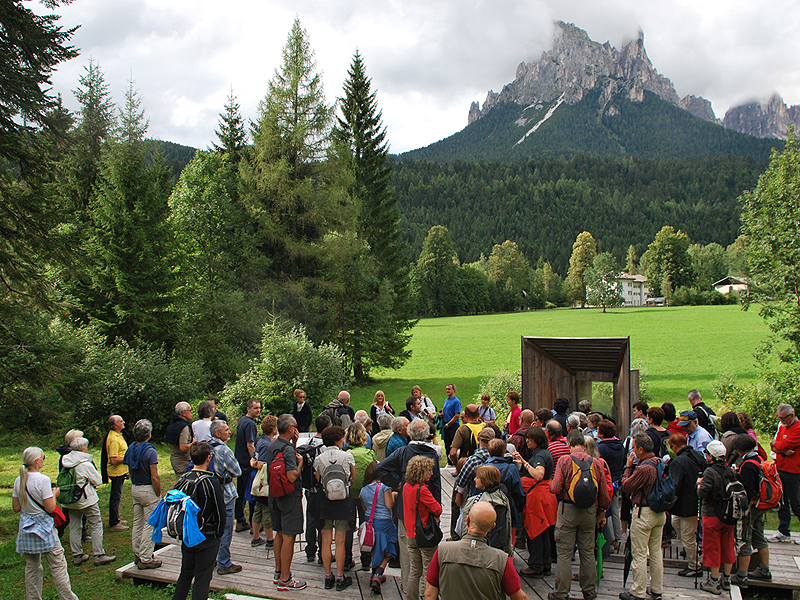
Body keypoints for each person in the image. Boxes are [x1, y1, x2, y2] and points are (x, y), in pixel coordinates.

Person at [377, 419, 442, 597]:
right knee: (428, 558)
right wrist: (437, 510)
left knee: (408, 555)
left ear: (410, 433)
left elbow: (381, 468)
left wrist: (397, 483)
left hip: (405, 510)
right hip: (427, 513)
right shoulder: (432, 455)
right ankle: (426, 592)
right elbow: (436, 485)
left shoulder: (403, 452)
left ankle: (407, 588)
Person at [549, 430, 610, 600]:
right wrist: (602, 512)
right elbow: (604, 494)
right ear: (584, 445)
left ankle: (561, 592)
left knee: (564, 554)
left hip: (567, 509)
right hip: (589, 512)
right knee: (587, 552)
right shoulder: (596, 463)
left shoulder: (564, 461)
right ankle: (589, 590)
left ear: (568, 444)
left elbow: (555, 487)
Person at [425, 501, 528, 600]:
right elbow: (520, 597)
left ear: (468, 521)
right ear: (492, 527)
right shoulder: (500, 560)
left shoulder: (443, 551)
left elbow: (429, 594)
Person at [13, 447, 79, 600]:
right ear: (37, 461)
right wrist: (54, 494)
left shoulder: (19, 480)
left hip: (26, 527)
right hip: (44, 527)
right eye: (43, 457)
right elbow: (50, 507)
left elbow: (16, 507)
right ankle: (67, 597)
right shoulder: (43, 480)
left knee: (32, 567)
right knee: (58, 564)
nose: (44, 459)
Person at [171, 441, 226, 600]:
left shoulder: (183, 479)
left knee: (186, 573)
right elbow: (220, 511)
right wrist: (219, 534)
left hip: (188, 533)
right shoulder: (210, 482)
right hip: (207, 535)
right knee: (203, 576)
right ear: (208, 458)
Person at [619, 434, 665, 600]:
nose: (633, 450)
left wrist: (627, 467)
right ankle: (657, 589)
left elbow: (626, 486)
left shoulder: (644, 468)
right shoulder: (659, 462)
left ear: (641, 449)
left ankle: (638, 592)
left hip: (644, 512)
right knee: (656, 552)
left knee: (639, 553)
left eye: (635, 447)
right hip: (659, 513)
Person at [60, 437, 116, 567]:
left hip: (70, 500)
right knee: (96, 523)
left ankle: (77, 555)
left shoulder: (66, 461)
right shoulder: (84, 464)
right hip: (85, 499)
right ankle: (99, 554)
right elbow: (98, 480)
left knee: (74, 525)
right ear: (83, 449)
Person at [267, 414, 307, 591]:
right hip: (289, 497)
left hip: (274, 495)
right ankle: (285, 579)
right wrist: (300, 464)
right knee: (289, 536)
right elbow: (291, 475)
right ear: (290, 428)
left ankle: (278, 573)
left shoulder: (273, 445)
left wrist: (294, 444)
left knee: (279, 534)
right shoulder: (288, 450)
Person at [315, 425, 356, 591]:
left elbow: (317, 479)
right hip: (342, 503)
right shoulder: (347, 456)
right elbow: (352, 477)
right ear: (339, 440)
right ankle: (340, 577)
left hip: (325, 502)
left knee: (325, 541)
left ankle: (327, 576)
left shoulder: (319, 459)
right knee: (340, 541)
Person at [731, 434, 772, 588]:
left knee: (744, 539)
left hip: (750, 507)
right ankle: (764, 570)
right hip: (761, 505)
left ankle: (741, 575)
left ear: (739, 449)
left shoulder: (748, 464)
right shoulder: (759, 459)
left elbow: (747, 489)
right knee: (759, 535)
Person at [698, 440, 736, 594]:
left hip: (713, 515)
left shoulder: (710, 472)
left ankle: (713, 581)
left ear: (711, 456)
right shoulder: (730, 470)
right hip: (729, 515)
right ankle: (726, 578)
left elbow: (702, 494)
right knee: (728, 545)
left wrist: (699, 485)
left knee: (712, 547)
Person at [517, 426, 556, 577]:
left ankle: (535, 565)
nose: (527, 442)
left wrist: (525, 464)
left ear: (537, 440)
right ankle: (545, 564)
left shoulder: (539, 456)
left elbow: (539, 475)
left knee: (535, 533)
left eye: (529, 439)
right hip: (546, 497)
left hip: (537, 499)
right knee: (544, 532)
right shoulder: (544, 453)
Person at [123, 419, 162, 569]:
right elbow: (155, 476)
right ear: (149, 434)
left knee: (138, 522)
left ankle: (138, 553)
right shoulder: (150, 451)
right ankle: (146, 557)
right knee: (150, 524)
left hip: (135, 488)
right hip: (148, 488)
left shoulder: (131, 448)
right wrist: (158, 493)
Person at [403, 455, 442, 600]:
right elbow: (437, 509)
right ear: (421, 472)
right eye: (429, 471)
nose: (431, 473)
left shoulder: (406, 486)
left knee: (414, 570)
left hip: (410, 533)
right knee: (428, 570)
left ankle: (411, 597)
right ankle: (428, 596)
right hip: (424, 534)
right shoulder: (422, 490)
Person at [668, 432, 705, 578]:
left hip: (685, 503)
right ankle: (692, 551)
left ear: (674, 447)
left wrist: (668, 502)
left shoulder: (678, 462)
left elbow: (675, 485)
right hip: (694, 501)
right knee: (677, 525)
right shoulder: (698, 456)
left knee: (688, 535)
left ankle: (695, 566)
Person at [209, 420, 242, 575]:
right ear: (218, 434)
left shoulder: (206, 447)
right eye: (227, 430)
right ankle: (224, 563)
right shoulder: (223, 450)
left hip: (210, 493)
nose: (229, 432)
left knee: (212, 528)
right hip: (225, 493)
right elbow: (237, 471)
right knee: (226, 529)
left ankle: (212, 559)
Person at [360, 461, 398, 594]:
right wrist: (393, 496)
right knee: (387, 549)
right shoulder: (384, 487)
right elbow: (389, 505)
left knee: (374, 547)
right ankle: (378, 575)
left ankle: (373, 573)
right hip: (384, 522)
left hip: (370, 522)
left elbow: (365, 509)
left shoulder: (363, 490)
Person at [299, 413, 330, 564]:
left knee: (310, 518)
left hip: (308, 487)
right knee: (322, 520)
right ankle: (323, 553)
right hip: (320, 488)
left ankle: (310, 549)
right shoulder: (324, 446)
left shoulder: (309, 442)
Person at [453, 427, 494, 538]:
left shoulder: (473, 460)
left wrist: (459, 496)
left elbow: (461, 481)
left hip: (475, 499)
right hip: (495, 500)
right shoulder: (498, 457)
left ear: (478, 439)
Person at [346, 423, 376, 570]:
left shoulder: (345, 454)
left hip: (349, 494)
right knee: (366, 525)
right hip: (365, 494)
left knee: (348, 526)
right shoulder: (369, 454)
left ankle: (346, 558)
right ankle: (366, 560)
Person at [770, 403, 800, 543]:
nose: (780, 421)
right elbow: (775, 444)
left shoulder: (798, 428)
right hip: (781, 468)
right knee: (782, 502)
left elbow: (785, 444)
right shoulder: (783, 427)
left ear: (791, 416)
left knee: (796, 503)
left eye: (783, 418)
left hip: (794, 472)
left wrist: (779, 446)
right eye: (779, 418)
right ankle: (784, 532)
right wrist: (781, 448)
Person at [484, 438, 525, 538]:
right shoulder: (511, 468)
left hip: (487, 509)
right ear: (504, 452)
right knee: (509, 539)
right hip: (508, 509)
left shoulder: (483, 468)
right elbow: (519, 492)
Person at [597, 419, 625, 551]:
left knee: (606, 510)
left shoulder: (602, 447)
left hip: (607, 481)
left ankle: (610, 539)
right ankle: (618, 537)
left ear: (601, 434)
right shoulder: (620, 444)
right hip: (617, 480)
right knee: (615, 509)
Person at [234, 398, 260, 532]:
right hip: (247, 463)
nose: (258, 410)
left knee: (241, 492)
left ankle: (240, 519)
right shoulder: (250, 424)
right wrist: (255, 460)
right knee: (251, 492)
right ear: (248, 409)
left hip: (240, 462)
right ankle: (253, 523)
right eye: (255, 408)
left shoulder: (242, 421)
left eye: (259, 408)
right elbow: (250, 444)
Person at [250, 415, 276, 550]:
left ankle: (255, 537)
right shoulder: (267, 445)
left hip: (257, 484)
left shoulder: (261, 442)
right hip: (264, 484)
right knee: (267, 512)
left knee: (257, 510)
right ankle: (270, 539)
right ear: (273, 429)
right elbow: (262, 464)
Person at [105, 415, 129, 532]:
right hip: (116, 472)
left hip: (121, 471)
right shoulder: (114, 439)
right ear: (115, 425)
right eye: (121, 421)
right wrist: (127, 458)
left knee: (117, 496)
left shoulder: (118, 435)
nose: (123, 422)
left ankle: (116, 518)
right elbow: (113, 460)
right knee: (115, 497)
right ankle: (114, 522)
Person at [165, 402, 193, 477]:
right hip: (183, 461)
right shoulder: (184, 427)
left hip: (174, 459)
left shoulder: (171, 425)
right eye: (190, 410)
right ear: (183, 413)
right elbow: (183, 447)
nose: (191, 412)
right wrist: (193, 443)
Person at [442, 383, 461, 459]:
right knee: (447, 443)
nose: (447, 391)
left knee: (453, 444)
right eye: (446, 389)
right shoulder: (446, 400)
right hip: (446, 425)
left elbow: (456, 416)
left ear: (454, 390)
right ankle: (449, 460)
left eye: (449, 389)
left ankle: (455, 459)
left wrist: (448, 424)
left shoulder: (456, 401)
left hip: (453, 426)